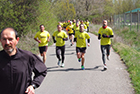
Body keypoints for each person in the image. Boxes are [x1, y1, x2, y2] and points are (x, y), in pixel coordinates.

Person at [0, 27, 47, 94]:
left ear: (17, 40)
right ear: (0, 41)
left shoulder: (27, 57)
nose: (7, 42)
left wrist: (33, 86)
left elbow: (42, 71)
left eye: (10, 39)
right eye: (4, 39)